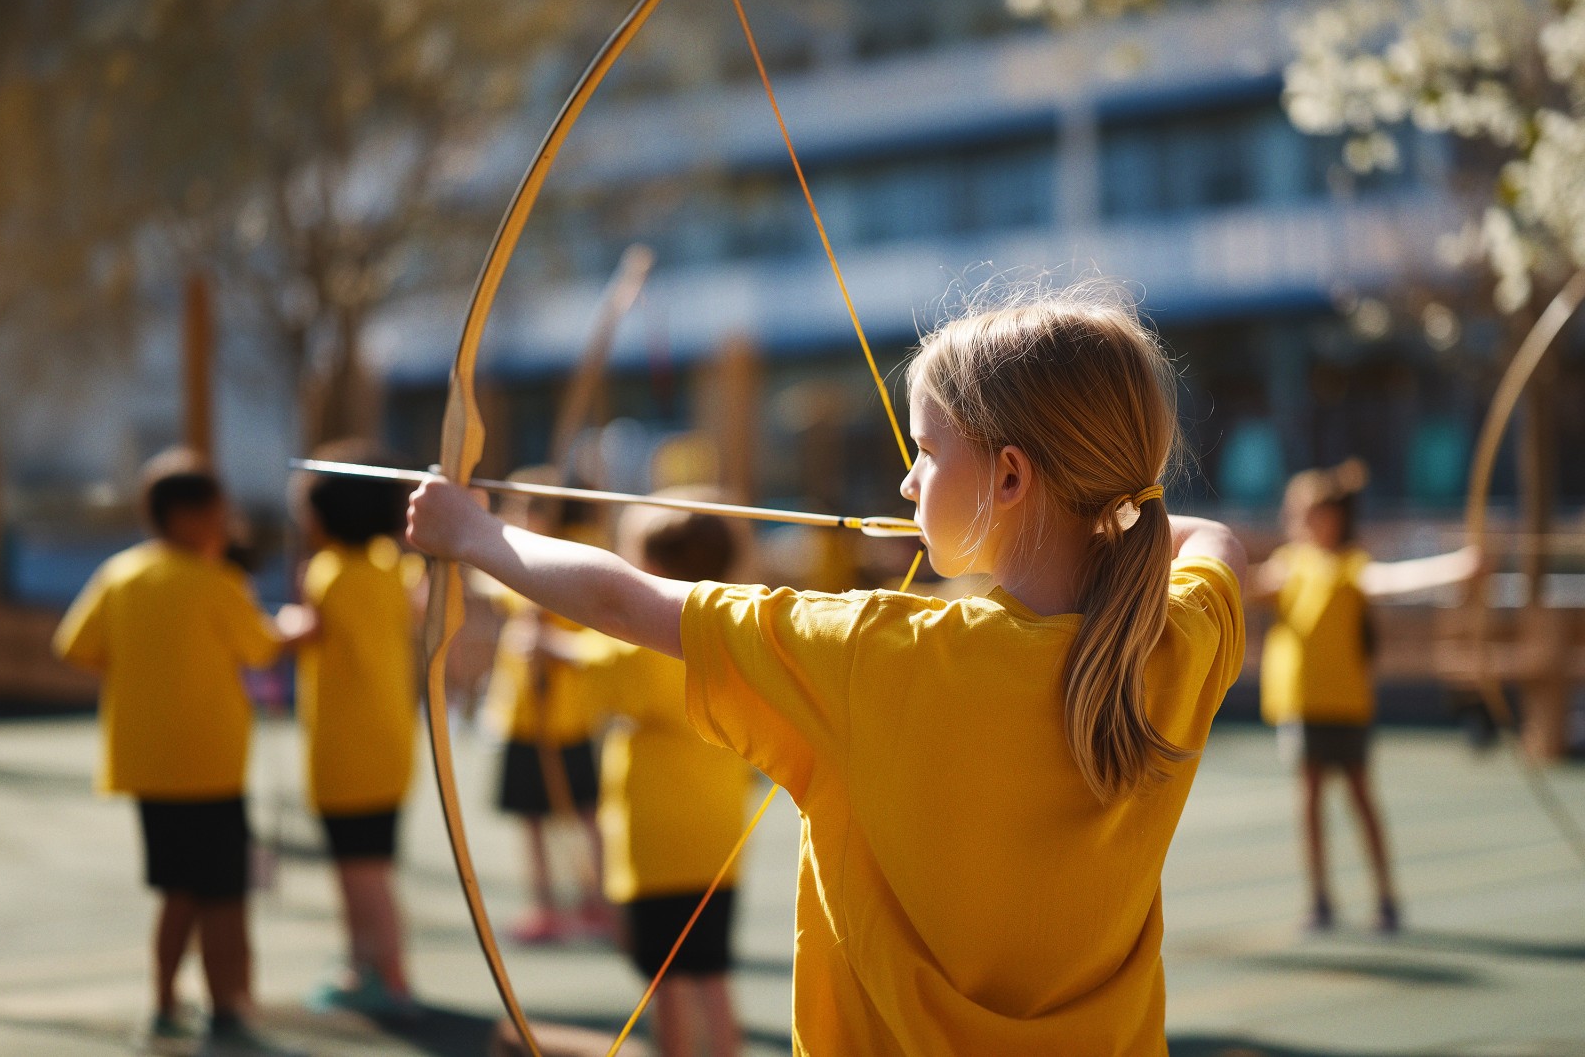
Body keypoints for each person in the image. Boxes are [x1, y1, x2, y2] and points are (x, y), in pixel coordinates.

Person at [406, 286, 1248, 1053]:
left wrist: (473, 536)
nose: (907, 478)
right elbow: (1214, 544)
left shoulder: (877, 652)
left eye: (925, 449)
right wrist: (1116, 517)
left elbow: (626, 603)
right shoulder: (1175, 643)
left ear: (1011, 475)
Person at [53, 447, 307, 1057]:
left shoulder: (122, 574)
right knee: (223, 894)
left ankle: (165, 1002)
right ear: (192, 517)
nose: (229, 525)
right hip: (211, 765)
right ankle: (229, 1007)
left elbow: (75, 647)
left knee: (176, 891)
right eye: (221, 514)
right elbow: (261, 649)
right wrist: (296, 629)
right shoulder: (219, 582)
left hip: (145, 764)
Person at [1251, 459, 1479, 934]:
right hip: (1302, 704)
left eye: (1309, 513)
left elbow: (1394, 581)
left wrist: (1458, 568)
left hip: (1346, 704)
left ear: (1332, 517)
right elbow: (1244, 585)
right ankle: (1320, 899)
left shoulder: (1350, 565)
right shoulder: (1289, 566)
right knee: (1310, 798)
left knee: (1360, 798)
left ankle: (1386, 897)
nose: (1299, 523)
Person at [573, 500, 756, 1057]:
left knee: (667, 980)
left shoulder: (648, 641)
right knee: (710, 971)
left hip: (658, 840)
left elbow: (595, 678)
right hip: (718, 834)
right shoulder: (734, 629)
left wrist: (545, 647)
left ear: (655, 567)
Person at [290, 444, 420, 1015]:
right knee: (372, 868)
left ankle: (385, 974)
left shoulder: (330, 575)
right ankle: (367, 965)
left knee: (359, 872)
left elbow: (306, 630)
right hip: (390, 744)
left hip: (346, 751)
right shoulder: (395, 569)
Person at [481, 472, 610, 943]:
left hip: (563, 713)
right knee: (536, 815)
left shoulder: (575, 554)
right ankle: (548, 904)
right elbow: (496, 584)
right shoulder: (533, 555)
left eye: (521, 510)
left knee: (584, 810)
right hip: (525, 712)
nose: (512, 520)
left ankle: (596, 899)